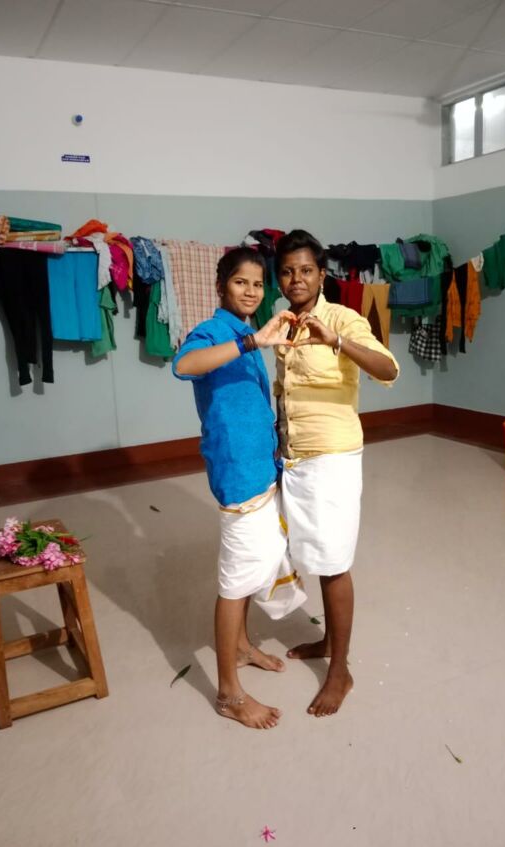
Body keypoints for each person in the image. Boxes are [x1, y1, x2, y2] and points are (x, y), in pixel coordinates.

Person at [274, 229, 400, 718]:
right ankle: (328, 642)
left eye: (306, 270)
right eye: (288, 271)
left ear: (321, 275)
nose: (297, 279)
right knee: (312, 553)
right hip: (296, 458)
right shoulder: (283, 323)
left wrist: (339, 342)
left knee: (333, 563)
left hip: (333, 459)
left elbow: (387, 370)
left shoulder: (342, 318)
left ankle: (340, 671)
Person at [173, 246, 295, 729]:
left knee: (254, 567)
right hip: (237, 473)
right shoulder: (214, 331)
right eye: (241, 282)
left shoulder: (247, 332)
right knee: (235, 581)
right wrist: (252, 342)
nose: (251, 291)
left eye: (258, 284)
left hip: (261, 467)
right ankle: (228, 693)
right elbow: (185, 365)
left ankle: (242, 647)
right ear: (222, 285)